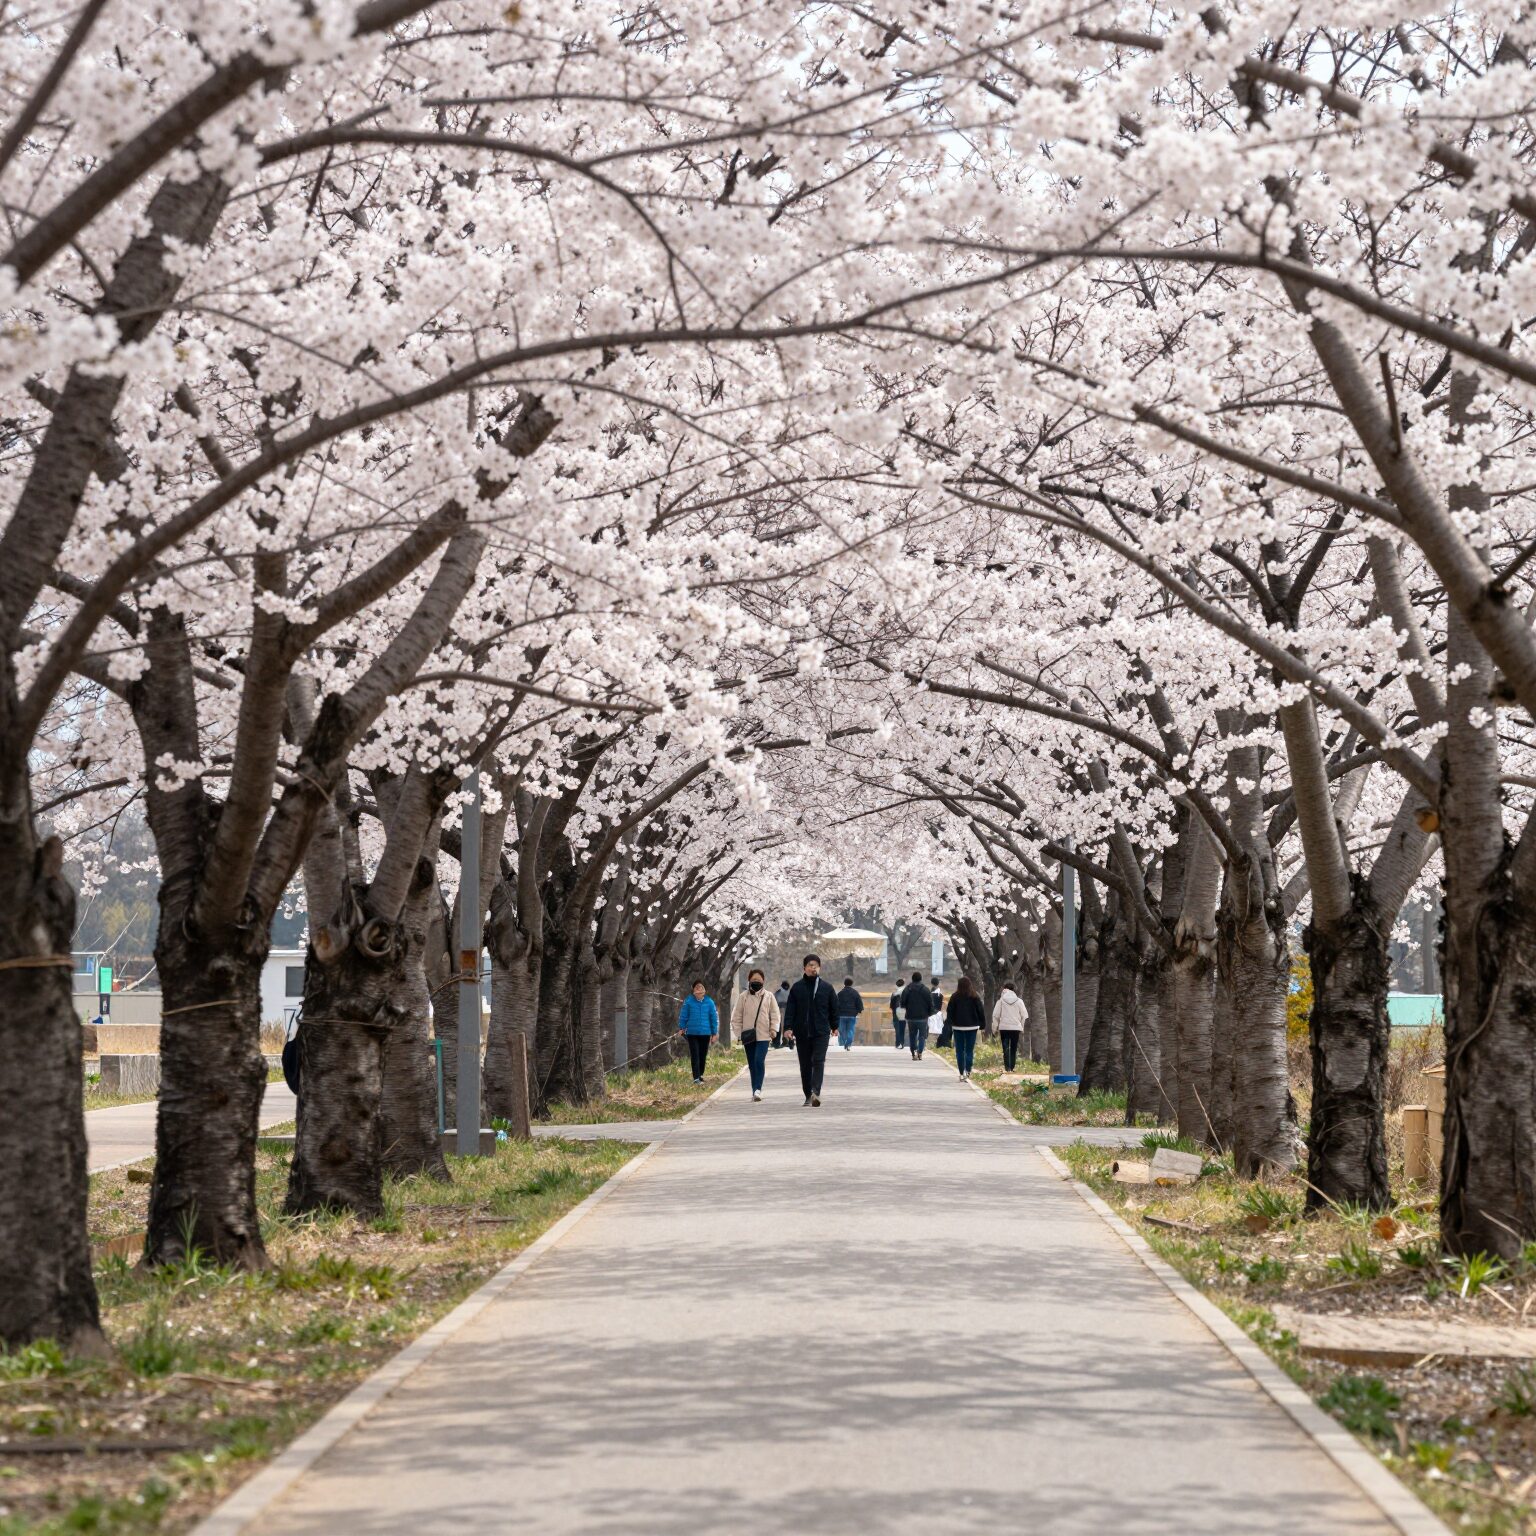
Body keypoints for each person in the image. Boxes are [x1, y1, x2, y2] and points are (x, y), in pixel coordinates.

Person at [781, 953, 838, 1105]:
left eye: (816, 965)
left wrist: (835, 1026)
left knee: (818, 1060)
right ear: (804, 968)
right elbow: (790, 1010)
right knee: (805, 1064)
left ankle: (816, 1092)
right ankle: (808, 1094)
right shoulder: (797, 988)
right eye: (810, 965)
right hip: (802, 1031)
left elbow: (834, 1008)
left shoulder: (827, 988)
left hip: (821, 1031)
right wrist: (787, 1027)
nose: (813, 968)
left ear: (819, 968)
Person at [730, 968, 779, 1101]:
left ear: (763, 980)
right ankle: (754, 1091)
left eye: (758, 979)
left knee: (758, 1060)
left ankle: (758, 1088)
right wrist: (739, 1033)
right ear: (749, 980)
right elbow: (736, 1017)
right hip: (748, 1036)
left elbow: (775, 1014)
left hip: (764, 1035)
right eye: (754, 979)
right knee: (752, 1064)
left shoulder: (769, 996)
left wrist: (774, 1029)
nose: (756, 981)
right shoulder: (743, 997)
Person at [676, 979, 719, 1084]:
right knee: (695, 1054)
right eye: (697, 987)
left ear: (704, 990)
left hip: (705, 1033)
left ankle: (700, 1074)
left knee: (702, 1055)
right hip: (692, 1033)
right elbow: (683, 1015)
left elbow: (713, 1018)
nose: (699, 989)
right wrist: (681, 1028)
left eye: (701, 987)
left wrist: (714, 1033)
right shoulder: (689, 1001)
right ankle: (696, 1078)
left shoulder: (709, 1002)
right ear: (693, 990)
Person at [948, 976, 985, 1079]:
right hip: (972, 1027)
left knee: (959, 1051)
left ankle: (961, 1072)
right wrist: (982, 1024)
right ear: (970, 985)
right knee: (969, 1050)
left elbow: (950, 1011)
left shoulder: (954, 996)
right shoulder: (975, 996)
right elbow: (980, 1011)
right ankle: (968, 1071)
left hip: (958, 1027)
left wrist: (950, 1023)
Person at [993, 981, 1027, 1071]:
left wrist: (994, 1028)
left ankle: (1007, 1067)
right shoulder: (1019, 1001)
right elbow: (1024, 1015)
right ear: (1014, 990)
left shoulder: (1000, 1001)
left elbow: (995, 1015)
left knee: (1005, 1048)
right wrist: (1022, 1027)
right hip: (1016, 1028)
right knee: (1013, 1048)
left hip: (1004, 1028)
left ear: (1004, 989)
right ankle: (1012, 1067)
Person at [900, 970, 933, 1059]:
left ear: (912, 979)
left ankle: (913, 1052)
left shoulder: (907, 989)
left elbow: (902, 1003)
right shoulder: (926, 990)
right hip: (923, 1017)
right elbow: (930, 1003)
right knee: (922, 1036)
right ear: (921, 979)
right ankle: (920, 1052)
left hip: (911, 1017)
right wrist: (929, 1013)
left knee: (912, 1035)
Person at [835, 976, 863, 1051]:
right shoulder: (855, 993)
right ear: (852, 984)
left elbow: (836, 1004)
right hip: (852, 1015)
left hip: (841, 1015)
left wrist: (835, 1013)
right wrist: (859, 1011)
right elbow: (859, 1003)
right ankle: (848, 1043)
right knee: (851, 1029)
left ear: (844, 984)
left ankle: (845, 1042)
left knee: (842, 1030)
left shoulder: (840, 993)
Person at [772, 979, 792, 1048]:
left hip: (780, 1011)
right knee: (787, 1027)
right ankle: (788, 1041)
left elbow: (774, 1002)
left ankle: (777, 1043)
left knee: (779, 1027)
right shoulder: (790, 993)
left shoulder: (778, 992)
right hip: (787, 1012)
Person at [932, 977, 950, 1048]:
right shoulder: (940, 995)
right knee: (938, 1029)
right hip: (938, 1014)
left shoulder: (929, 994)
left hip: (931, 1014)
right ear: (938, 983)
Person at [890, 983, 906, 1051]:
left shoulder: (894, 994)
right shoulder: (905, 994)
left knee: (897, 1029)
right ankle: (902, 1043)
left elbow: (891, 1006)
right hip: (903, 1014)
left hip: (896, 1013)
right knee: (902, 1029)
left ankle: (897, 1043)